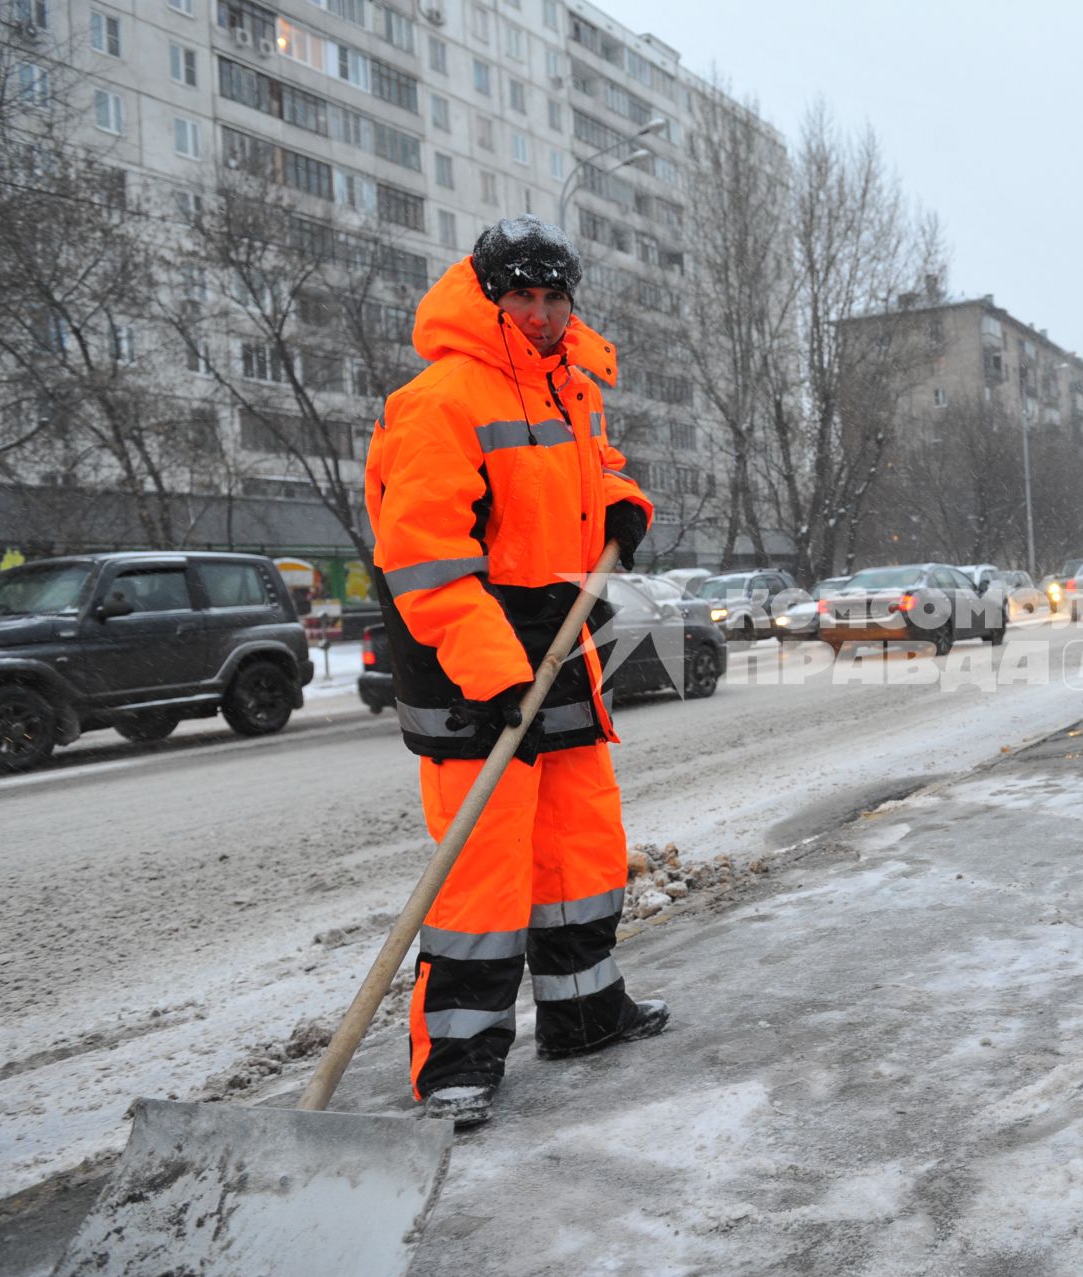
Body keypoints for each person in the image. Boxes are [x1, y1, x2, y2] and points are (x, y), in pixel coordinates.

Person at [364, 216, 668, 1128]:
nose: (539, 314)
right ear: (489, 297)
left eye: (553, 297)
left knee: (579, 846)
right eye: (522, 297)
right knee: (482, 872)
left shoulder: (567, 393)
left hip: (559, 644)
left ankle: (584, 1013)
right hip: (470, 659)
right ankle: (457, 1063)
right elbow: (423, 558)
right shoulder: (441, 399)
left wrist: (621, 506)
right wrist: (492, 671)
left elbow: (584, 482)